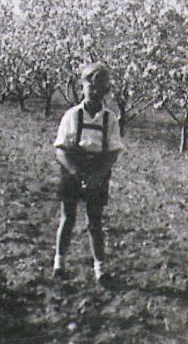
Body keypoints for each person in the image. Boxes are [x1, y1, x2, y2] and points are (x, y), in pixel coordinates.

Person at [52, 62, 124, 281]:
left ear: (105, 91)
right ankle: (59, 263)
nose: (94, 91)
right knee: (68, 218)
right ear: (81, 86)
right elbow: (61, 150)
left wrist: (98, 176)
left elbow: (113, 152)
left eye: (99, 87)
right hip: (72, 169)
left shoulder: (110, 119)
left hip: (97, 171)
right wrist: (77, 173)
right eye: (89, 85)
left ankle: (100, 269)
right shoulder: (72, 116)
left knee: (95, 222)